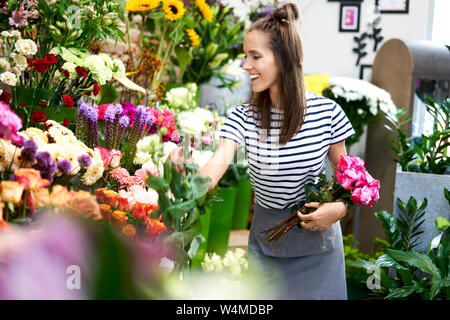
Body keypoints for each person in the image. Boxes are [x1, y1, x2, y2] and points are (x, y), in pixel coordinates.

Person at [169, 3, 355, 300]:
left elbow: (351, 180)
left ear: (284, 59)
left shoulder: (327, 113)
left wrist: (340, 209)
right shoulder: (242, 117)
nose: (246, 65)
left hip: (318, 250)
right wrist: (189, 171)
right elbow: (218, 162)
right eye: (245, 56)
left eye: (255, 56)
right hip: (267, 249)